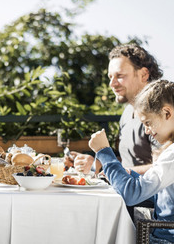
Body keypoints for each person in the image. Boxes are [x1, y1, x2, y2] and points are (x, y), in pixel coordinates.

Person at [89, 80, 174, 243]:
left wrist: (104, 152)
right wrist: (131, 176)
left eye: (148, 123)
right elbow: (163, 197)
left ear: (166, 113)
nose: (147, 131)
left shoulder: (172, 154)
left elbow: (131, 195)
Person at [73, 44, 162, 175]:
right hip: (127, 191)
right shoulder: (127, 113)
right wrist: (98, 164)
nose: (112, 84)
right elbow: (129, 163)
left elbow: (164, 168)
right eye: (110, 77)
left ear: (143, 74)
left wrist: (113, 170)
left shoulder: (161, 111)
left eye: (119, 75)